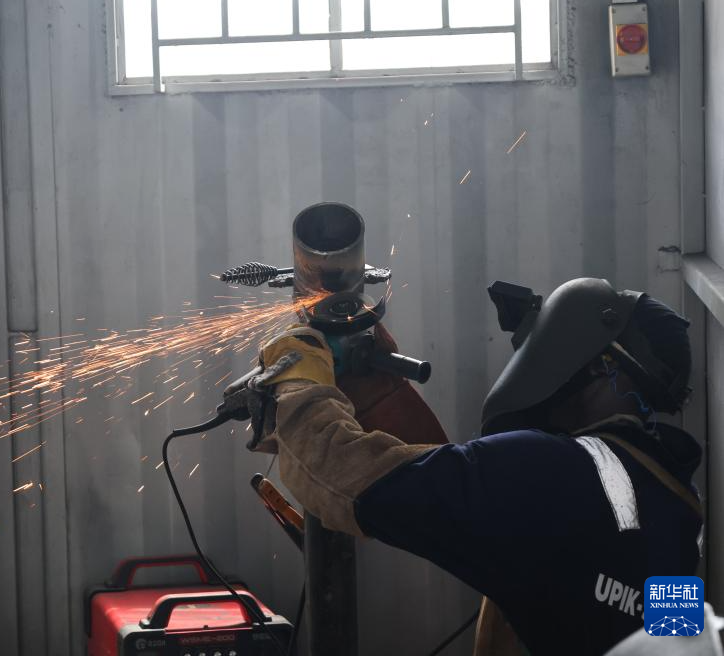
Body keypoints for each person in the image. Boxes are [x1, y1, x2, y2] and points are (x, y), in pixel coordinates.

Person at [249, 277, 702, 656]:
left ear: (598, 363)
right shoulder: (679, 512)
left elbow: (344, 476)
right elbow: (463, 500)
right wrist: (381, 395)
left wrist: (299, 382)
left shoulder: (551, 470)